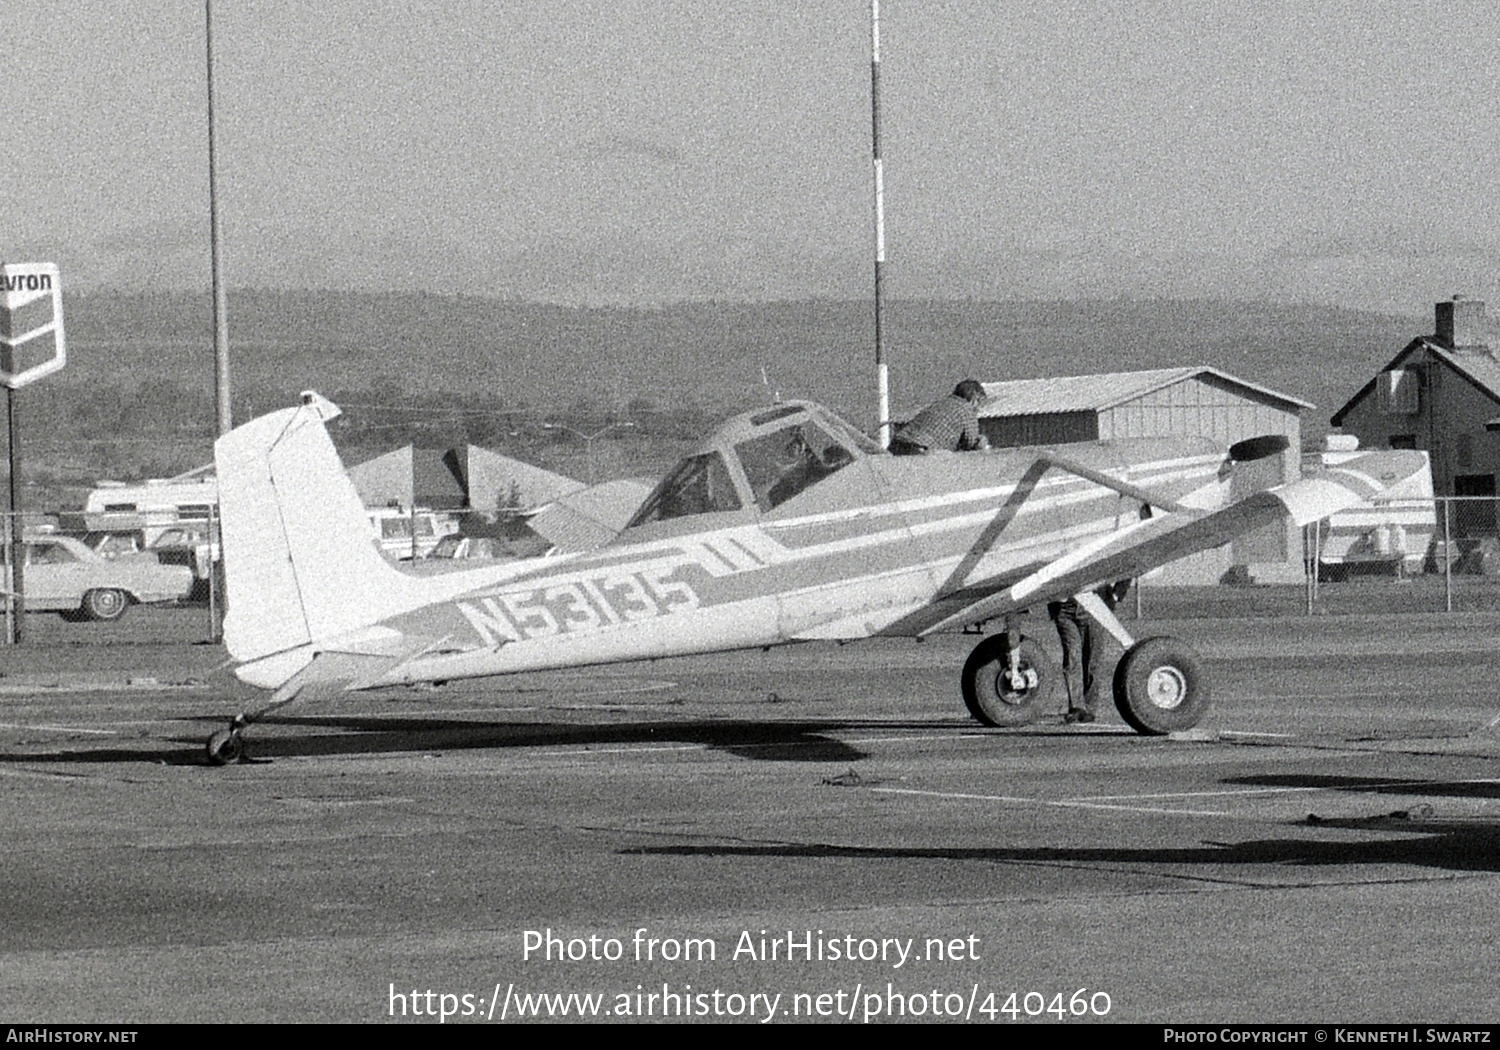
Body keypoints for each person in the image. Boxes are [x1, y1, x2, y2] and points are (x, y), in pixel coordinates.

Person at [1048, 579, 1132, 723]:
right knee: (1071, 657)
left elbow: (1129, 561)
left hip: (1093, 606)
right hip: (1062, 609)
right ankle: (1076, 708)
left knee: (1092, 659)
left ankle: (1089, 708)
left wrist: (1116, 594)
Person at [889, 379, 990, 455]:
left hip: (897, 444)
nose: (979, 409)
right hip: (922, 450)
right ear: (975, 399)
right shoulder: (967, 410)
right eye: (979, 403)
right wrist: (983, 443)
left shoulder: (939, 404)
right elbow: (972, 444)